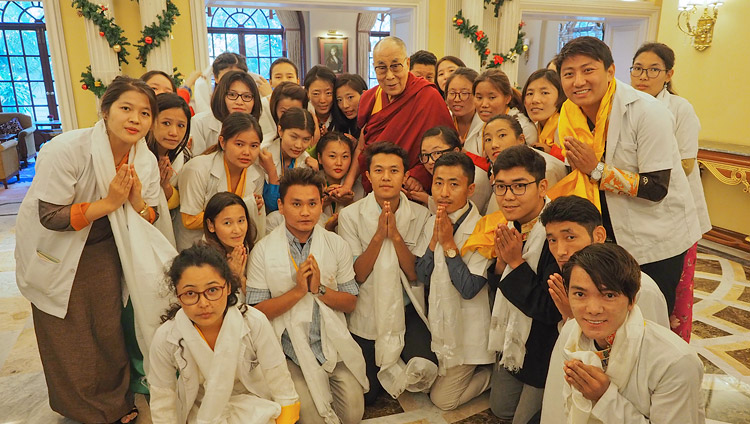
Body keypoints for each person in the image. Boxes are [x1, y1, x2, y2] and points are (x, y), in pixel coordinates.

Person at [15, 76, 176, 424]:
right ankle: (82, 410)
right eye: (126, 109)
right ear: (105, 111)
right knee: (69, 332)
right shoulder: (67, 149)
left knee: (107, 328)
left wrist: (134, 202)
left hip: (105, 247)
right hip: (57, 247)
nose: (135, 119)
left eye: (145, 113)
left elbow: (151, 216)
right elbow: (50, 217)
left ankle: (114, 403)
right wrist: (109, 202)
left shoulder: (143, 159)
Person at [550, 36, 701, 315]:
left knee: (647, 318)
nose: (578, 81)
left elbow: (657, 187)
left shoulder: (647, 112)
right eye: (568, 74)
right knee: (606, 316)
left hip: (654, 237)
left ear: (610, 71)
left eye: (588, 70)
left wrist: (596, 169)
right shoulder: (568, 114)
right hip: (606, 233)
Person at [247, 167, 368, 424]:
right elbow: (255, 312)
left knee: (353, 415)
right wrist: (298, 292)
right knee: (311, 419)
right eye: (296, 204)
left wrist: (318, 290)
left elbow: (350, 302)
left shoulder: (336, 245)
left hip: (328, 344)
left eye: (312, 203)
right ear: (280, 206)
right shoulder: (263, 250)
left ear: (321, 204)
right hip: (286, 350)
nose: (305, 212)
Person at [541, 243, 705, 424]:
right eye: (580, 294)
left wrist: (604, 398)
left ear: (632, 300)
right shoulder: (572, 333)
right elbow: (554, 409)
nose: (593, 309)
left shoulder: (675, 362)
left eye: (609, 295)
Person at [148, 244, 300, 424]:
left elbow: (279, 380)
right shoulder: (166, 337)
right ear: (177, 294)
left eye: (212, 290)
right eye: (190, 293)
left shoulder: (254, 322)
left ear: (228, 287)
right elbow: (162, 400)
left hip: (255, 403)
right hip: (201, 409)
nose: (203, 303)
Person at [462, 145, 559, 423]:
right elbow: (500, 285)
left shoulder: (557, 232)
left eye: (519, 186)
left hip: (544, 346)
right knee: (501, 408)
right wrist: (503, 266)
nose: (508, 197)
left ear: (542, 186)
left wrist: (515, 264)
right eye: (501, 187)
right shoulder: (511, 224)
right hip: (514, 340)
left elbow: (550, 311)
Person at [338, 142, 437, 404]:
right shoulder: (350, 215)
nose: (386, 177)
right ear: (368, 176)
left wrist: (394, 236)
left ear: (405, 175)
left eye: (394, 171)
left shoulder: (420, 215)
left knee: (426, 370)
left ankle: (401, 356)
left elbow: (415, 274)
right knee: (368, 394)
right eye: (379, 170)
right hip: (367, 310)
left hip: (406, 310)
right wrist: (378, 236)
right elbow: (356, 275)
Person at [630, 42, 711, 341]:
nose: (643, 76)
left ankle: (669, 350)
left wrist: (637, 174)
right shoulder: (624, 106)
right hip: (637, 208)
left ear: (668, 74)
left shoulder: (679, 108)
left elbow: (686, 164)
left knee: (671, 294)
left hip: (674, 211)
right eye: (638, 68)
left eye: (653, 70)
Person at [415, 152, 493, 411]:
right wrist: (434, 240)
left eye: (453, 184)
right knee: (419, 380)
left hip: (468, 332)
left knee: (443, 400)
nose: (443, 192)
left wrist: (448, 244)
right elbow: (421, 276)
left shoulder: (482, 229)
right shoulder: (433, 220)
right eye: (438, 183)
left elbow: (469, 289)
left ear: (470, 189)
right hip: (440, 323)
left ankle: (492, 376)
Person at [347, 36, 453, 193]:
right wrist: (347, 185)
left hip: (415, 190)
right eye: (382, 68)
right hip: (377, 188)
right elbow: (363, 149)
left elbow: (448, 147)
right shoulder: (370, 98)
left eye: (396, 66)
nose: (389, 76)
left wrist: (419, 175)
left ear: (407, 63)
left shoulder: (429, 96)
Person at [179, 113, 266, 251]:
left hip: (234, 248)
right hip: (196, 247)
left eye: (254, 146)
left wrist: (255, 207)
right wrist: (245, 207)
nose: (247, 152)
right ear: (222, 142)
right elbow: (189, 219)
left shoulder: (257, 174)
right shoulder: (197, 168)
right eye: (239, 144)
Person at [482, 114, 567, 214]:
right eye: (488, 139)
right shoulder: (503, 167)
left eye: (502, 135)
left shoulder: (545, 168)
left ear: (521, 140)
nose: (494, 145)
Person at [407, 126, 492, 214]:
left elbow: (461, 214)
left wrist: (427, 200)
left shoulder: (474, 176)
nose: (430, 161)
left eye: (437, 153)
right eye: (425, 155)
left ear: (456, 151)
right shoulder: (438, 172)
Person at [147, 92, 192, 248]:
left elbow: (181, 201)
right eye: (166, 123)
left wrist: (165, 185)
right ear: (151, 122)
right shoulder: (137, 155)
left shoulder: (184, 156)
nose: (174, 132)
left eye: (181, 125)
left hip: (171, 228)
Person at [190, 70, 261, 156]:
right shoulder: (199, 123)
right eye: (232, 95)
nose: (239, 102)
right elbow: (196, 162)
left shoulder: (259, 125)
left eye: (246, 96)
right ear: (221, 96)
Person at [259, 107, 314, 215]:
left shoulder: (306, 161)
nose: (298, 145)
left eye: (306, 139)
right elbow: (273, 204)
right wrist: (272, 171)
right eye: (294, 137)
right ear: (280, 131)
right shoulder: (262, 152)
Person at [203, 192, 257, 296]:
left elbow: (256, 300)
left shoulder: (250, 248)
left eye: (241, 220)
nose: (237, 230)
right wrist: (231, 275)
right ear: (211, 225)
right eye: (227, 223)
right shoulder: (203, 261)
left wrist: (240, 278)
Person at [474, 69, 538, 146]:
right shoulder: (478, 124)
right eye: (479, 97)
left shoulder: (524, 127)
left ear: (507, 98)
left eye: (492, 97)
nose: (484, 104)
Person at [316, 132, 362, 231]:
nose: (339, 163)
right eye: (332, 156)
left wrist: (349, 202)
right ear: (319, 158)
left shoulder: (360, 186)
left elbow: (365, 226)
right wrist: (324, 203)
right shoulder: (312, 183)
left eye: (345, 156)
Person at [522, 68, 566, 161]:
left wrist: (551, 152)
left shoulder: (565, 127)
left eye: (544, 93)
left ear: (561, 96)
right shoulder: (534, 127)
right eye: (530, 93)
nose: (535, 100)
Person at [444, 67, 485, 160]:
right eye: (452, 93)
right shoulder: (443, 119)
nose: (457, 99)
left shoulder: (486, 124)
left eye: (464, 93)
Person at [258, 58, 302, 137]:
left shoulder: (304, 101)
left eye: (289, 77)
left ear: (298, 81)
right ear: (270, 82)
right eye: (278, 77)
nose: (284, 80)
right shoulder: (262, 104)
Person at [304, 65, 337, 140]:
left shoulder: (343, 115)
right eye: (316, 94)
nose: (322, 100)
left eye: (328, 93)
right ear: (307, 93)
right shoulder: (302, 115)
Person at [332, 73, 367, 138]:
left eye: (350, 97)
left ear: (364, 94)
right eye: (339, 100)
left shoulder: (373, 121)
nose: (345, 105)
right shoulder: (340, 123)